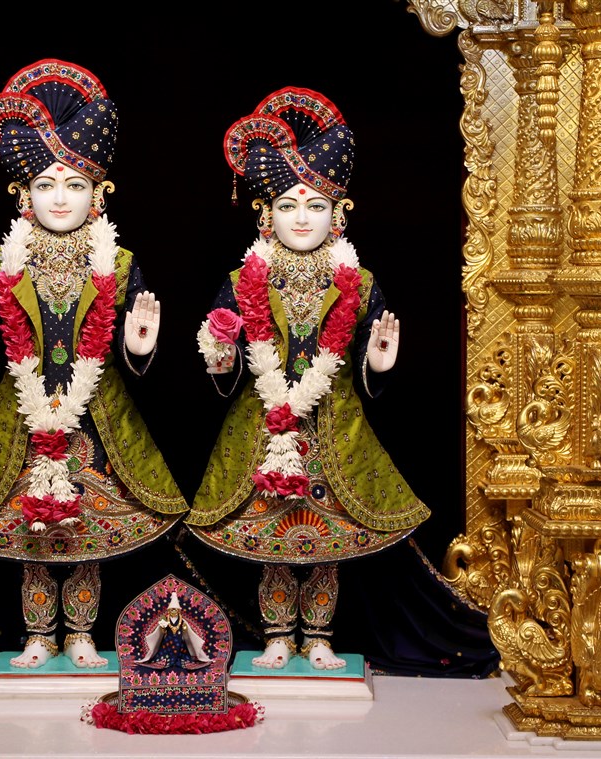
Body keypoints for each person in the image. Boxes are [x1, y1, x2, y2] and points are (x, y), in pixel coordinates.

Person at [0, 59, 187, 670]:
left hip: (96, 416)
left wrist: (139, 350)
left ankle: (81, 634)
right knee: (35, 534)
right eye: (46, 185)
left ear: (99, 192)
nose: (61, 198)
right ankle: (38, 635)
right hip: (24, 416)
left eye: (75, 184)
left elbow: (131, 342)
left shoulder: (118, 263)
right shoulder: (3, 261)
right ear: (24, 193)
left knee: (86, 530)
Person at [187, 87, 430, 671]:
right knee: (275, 536)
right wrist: (219, 360)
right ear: (265, 213)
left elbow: (371, 347)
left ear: (338, 213)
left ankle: (318, 636)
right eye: (289, 205)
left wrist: (376, 365)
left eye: (316, 205)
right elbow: (224, 353)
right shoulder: (242, 279)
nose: (301, 218)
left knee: (324, 542)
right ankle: (277, 634)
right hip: (264, 430)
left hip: (334, 431)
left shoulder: (359, 282)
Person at [136, 592, 212, 671]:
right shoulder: (165, 618)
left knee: (182, 650)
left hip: (179, 641)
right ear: (169, 610)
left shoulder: (182, 620)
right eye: (172, 609)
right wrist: (162, 626)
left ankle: (180, 660)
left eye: (175, 610)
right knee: (164, 650)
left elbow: (186, 630)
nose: (173, 611)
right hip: (168, 641)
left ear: (178, 610)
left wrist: (185, 628)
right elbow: (161, 630)